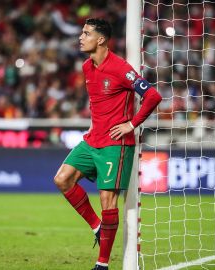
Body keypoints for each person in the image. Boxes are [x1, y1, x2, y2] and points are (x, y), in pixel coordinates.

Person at [53, 18, 162, 270]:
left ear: (100, 39)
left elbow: (153, 96)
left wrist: (131, 125)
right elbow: (97, 103)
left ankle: (102, 265)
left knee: (107, 202)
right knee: (62, 179)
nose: (81, 37)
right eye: (81, 32)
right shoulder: (87, 67)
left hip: (116, 143)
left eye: (86, 33)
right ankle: (97, 227)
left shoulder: (120, 68)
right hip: (93, 140)